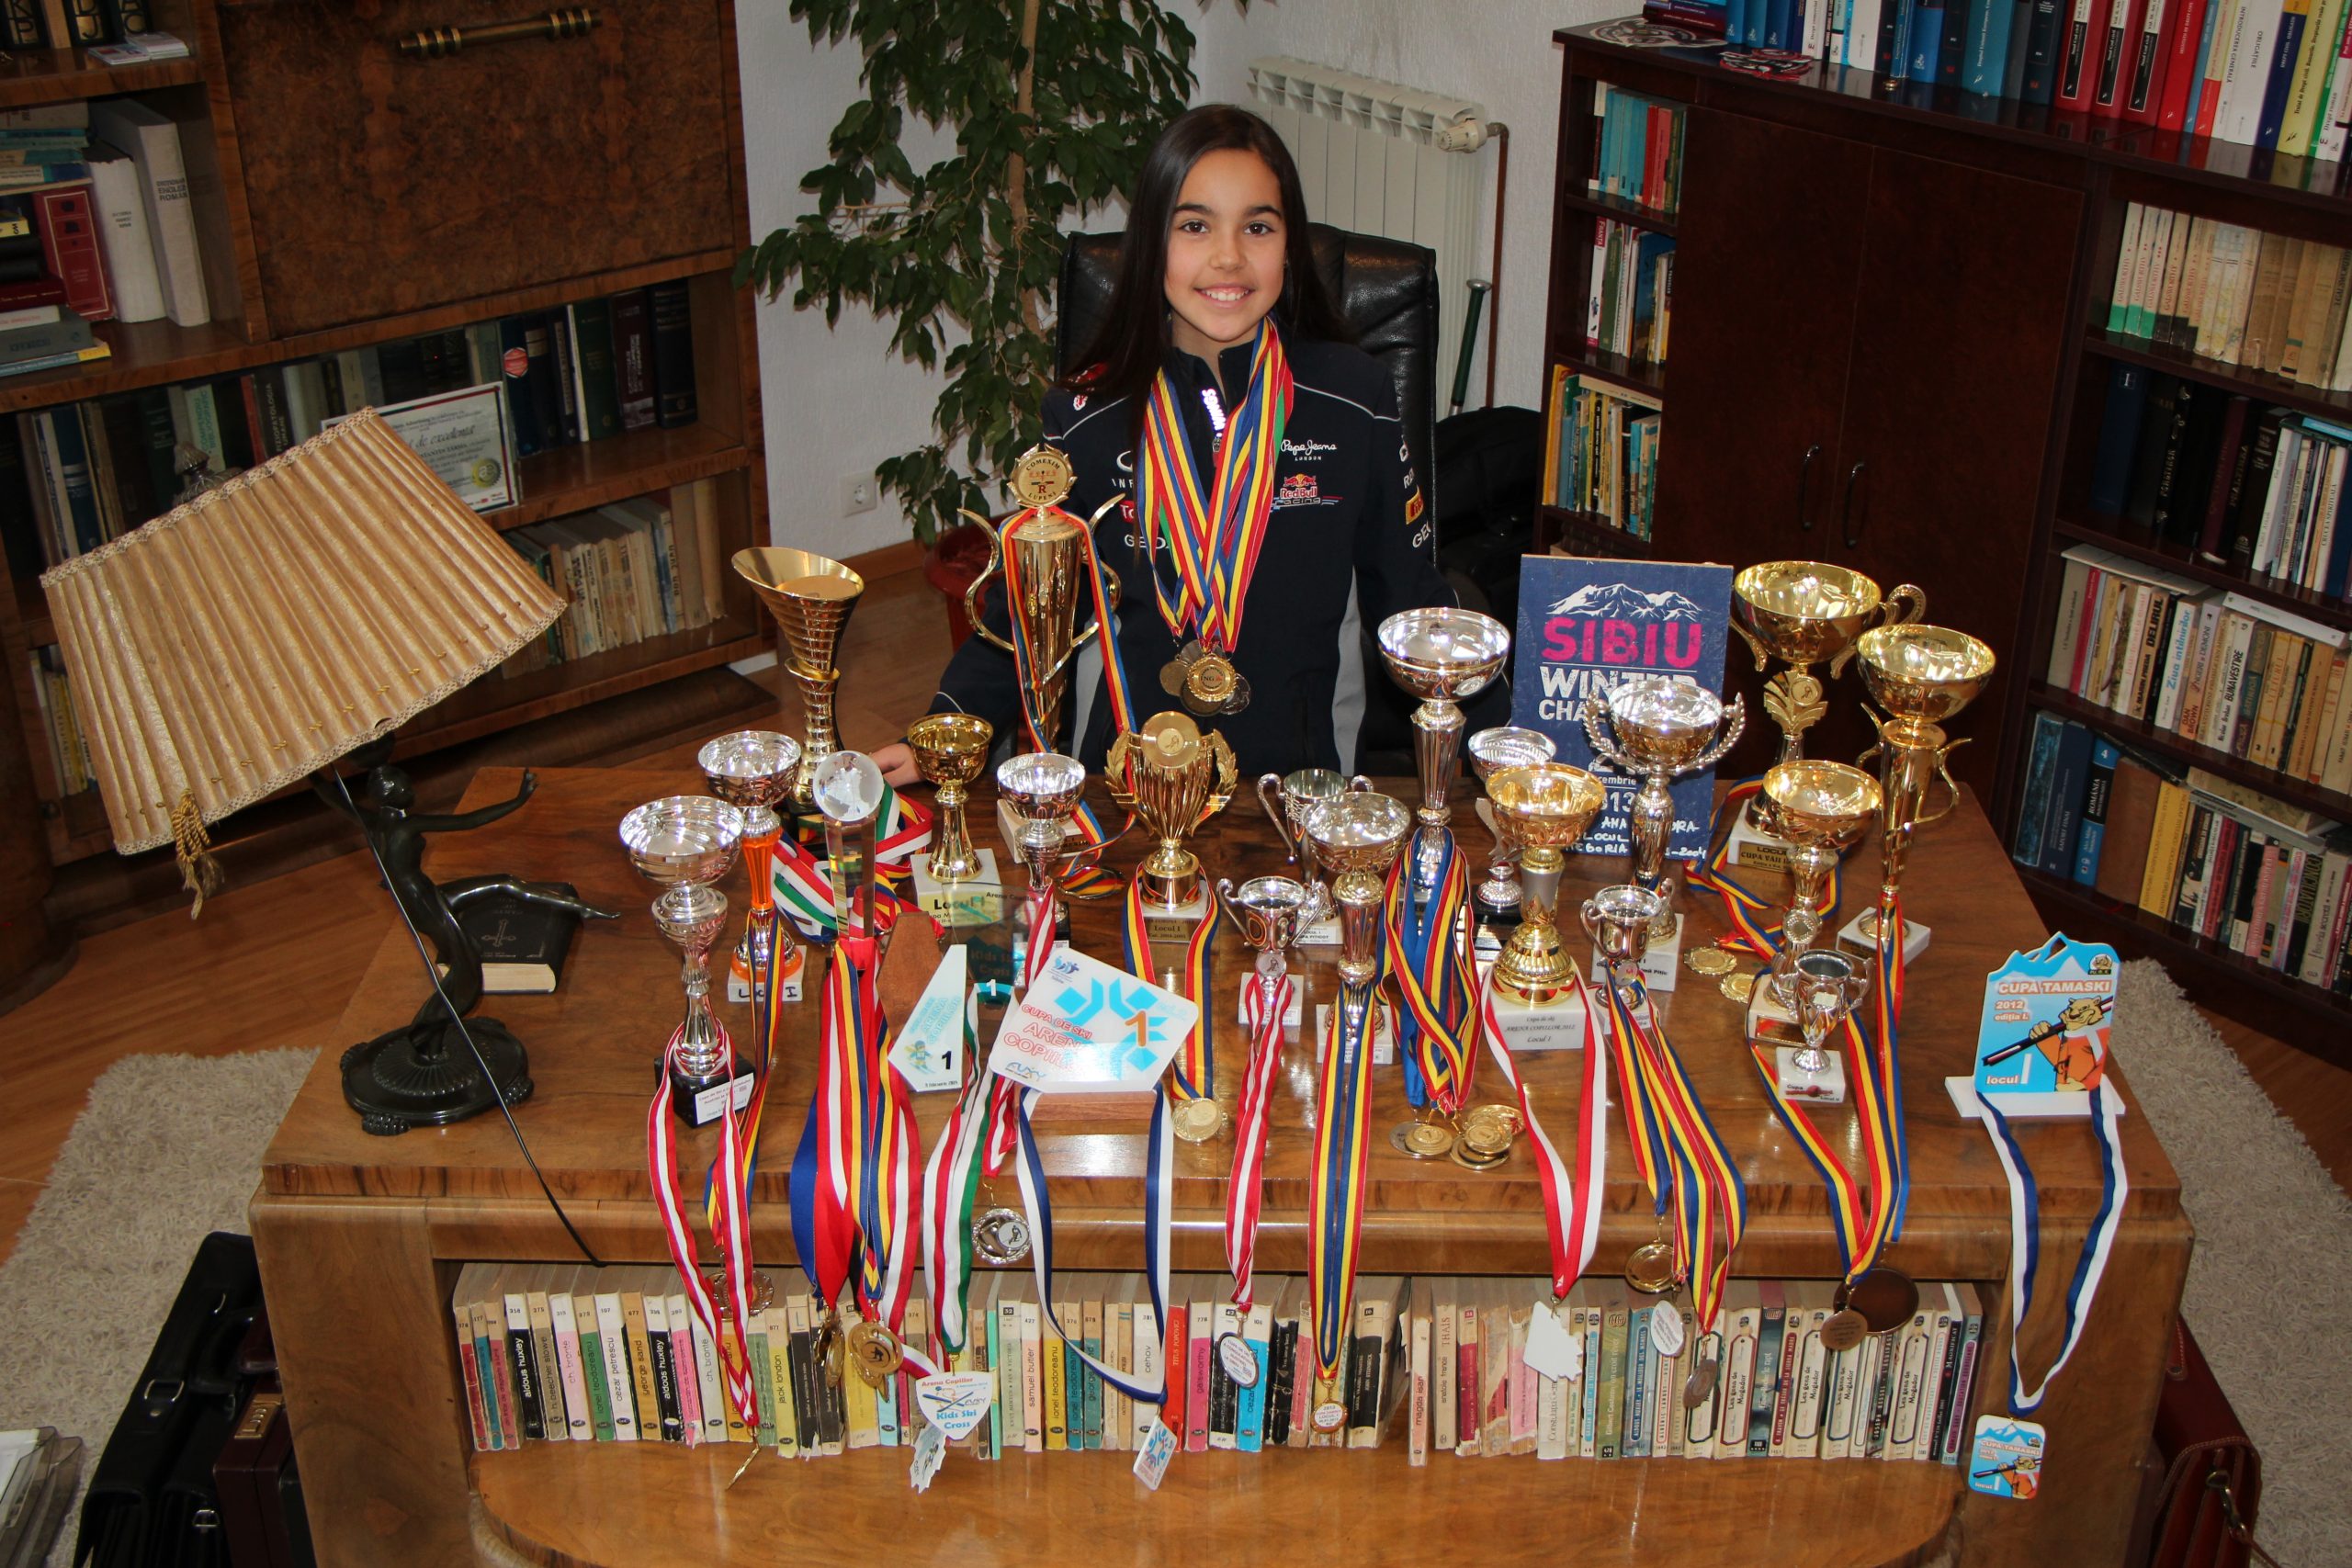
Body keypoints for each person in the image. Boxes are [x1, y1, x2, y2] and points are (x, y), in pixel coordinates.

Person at [873, 103, 1502, 787]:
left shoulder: (1355, 398)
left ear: (1289, 246)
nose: (1228, 257)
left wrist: (1502, 750)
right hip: (1123, 790)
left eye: (1257, 227)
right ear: (1153, 243)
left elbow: (1411, 601)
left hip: (1298, 794)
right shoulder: (1085, 416)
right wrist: (944, 727)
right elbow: (1029, 615)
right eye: (1195, 226)